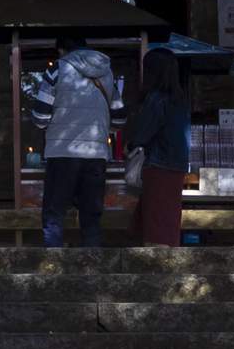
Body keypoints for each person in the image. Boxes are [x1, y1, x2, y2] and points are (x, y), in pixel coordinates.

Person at [35, 45, 116, 247]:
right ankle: (92, 269)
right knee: (91, 219)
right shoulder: (107, 72)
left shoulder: (56, 69)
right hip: (96, 155)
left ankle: (51, 266)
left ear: (62, 50)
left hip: (62, 153)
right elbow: (120, 119)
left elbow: (40, 117)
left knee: (54, 216)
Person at [124, 46, 195, 247]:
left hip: (159, 167)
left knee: (155, 223)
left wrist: (129, 146)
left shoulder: (156, 99)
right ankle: (166, 268)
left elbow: (143, 133)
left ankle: (157, 270)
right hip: (177, 167)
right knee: (168, 221)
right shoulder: (180, 101)